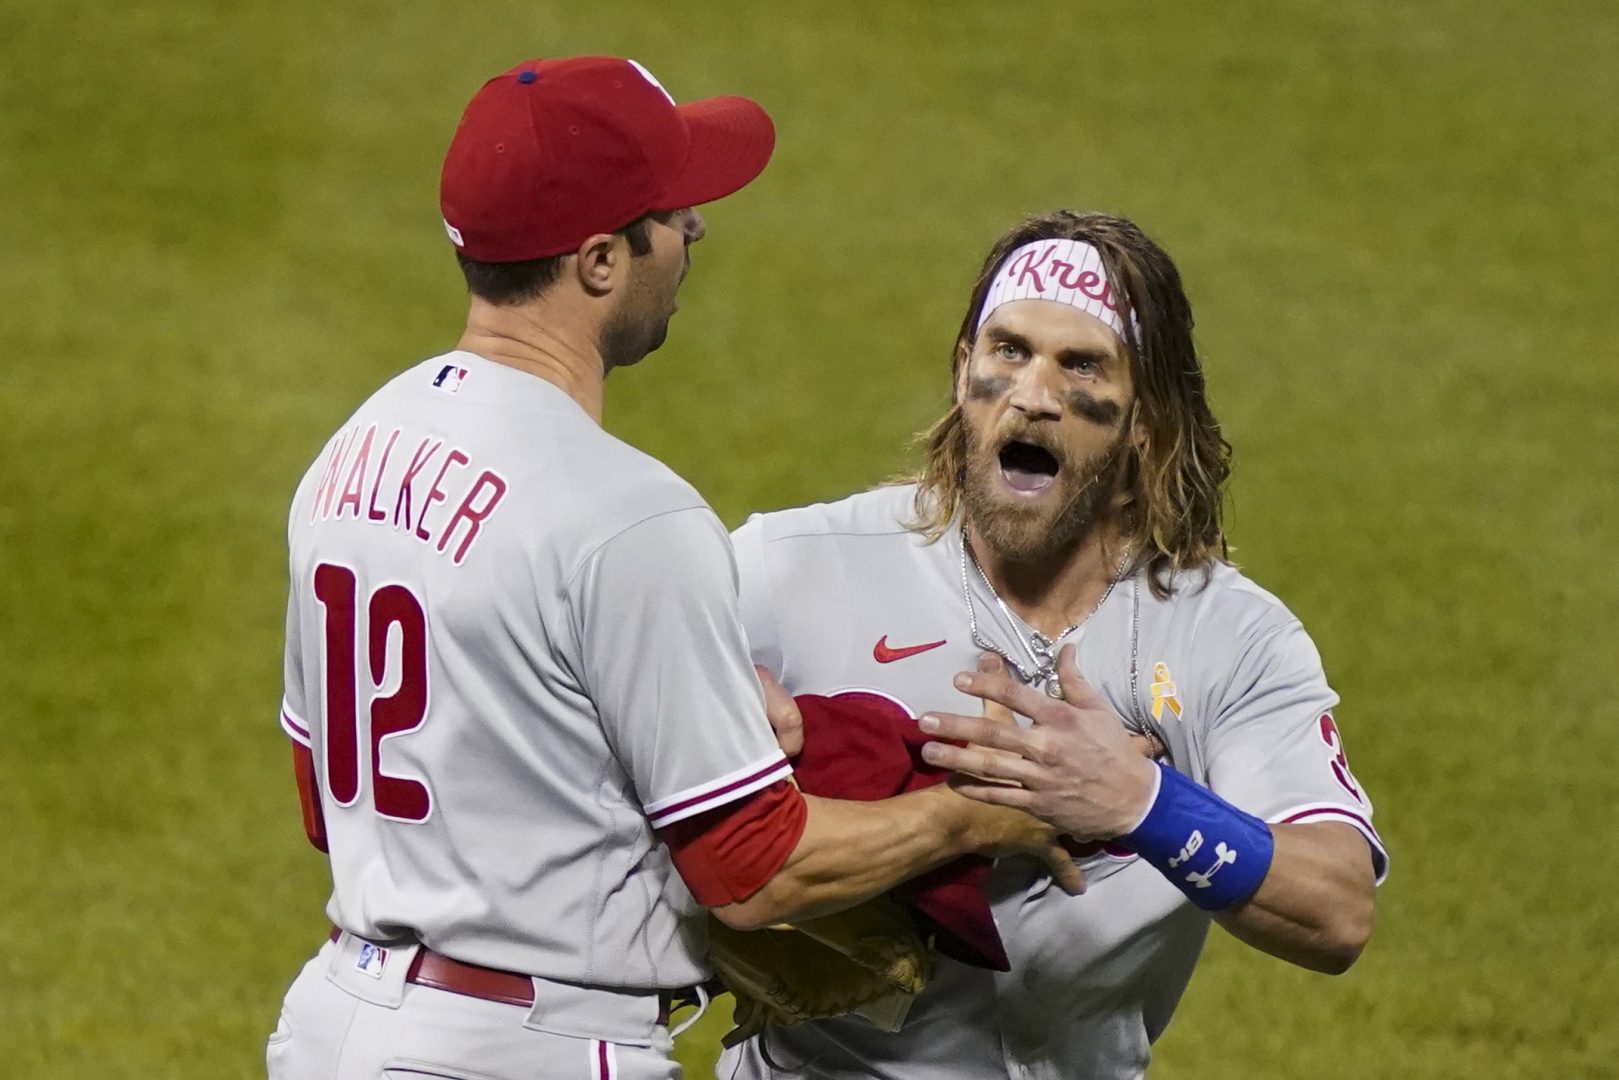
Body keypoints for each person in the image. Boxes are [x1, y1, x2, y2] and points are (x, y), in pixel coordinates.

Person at [265, 58, 1078, 1080]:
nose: (693, 231)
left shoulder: (354, 450)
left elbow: (325, 801)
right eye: (670, 212)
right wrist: (976, 815)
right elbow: (753, 869)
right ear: (601, 260)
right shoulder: (625, 514)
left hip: (337, 1024)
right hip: (523, 1050)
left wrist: (617, 736)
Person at [722, 209, 1389, 1079]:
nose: (1033, 394)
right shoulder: (790, 569)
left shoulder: (1226, 636)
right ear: (963, 372)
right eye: (1008, 351)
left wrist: (1141, 802)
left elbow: (1335, 912)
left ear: (1144, 417)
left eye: (1080, 364)